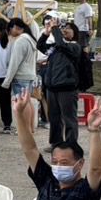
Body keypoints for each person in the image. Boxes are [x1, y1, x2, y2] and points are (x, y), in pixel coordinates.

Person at [38, 20, 84, 149]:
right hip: (52, 87)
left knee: (69, 118)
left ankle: (71, 145)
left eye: (68, 28)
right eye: (63, 28)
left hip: (67, 87)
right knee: (54, 118)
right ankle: (56, 143)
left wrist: (55, 29)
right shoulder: (57, 46)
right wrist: (46, 34)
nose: (64, 30)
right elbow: (40, 46)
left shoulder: (75, 46)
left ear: (75, 33)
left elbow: (62, 45)